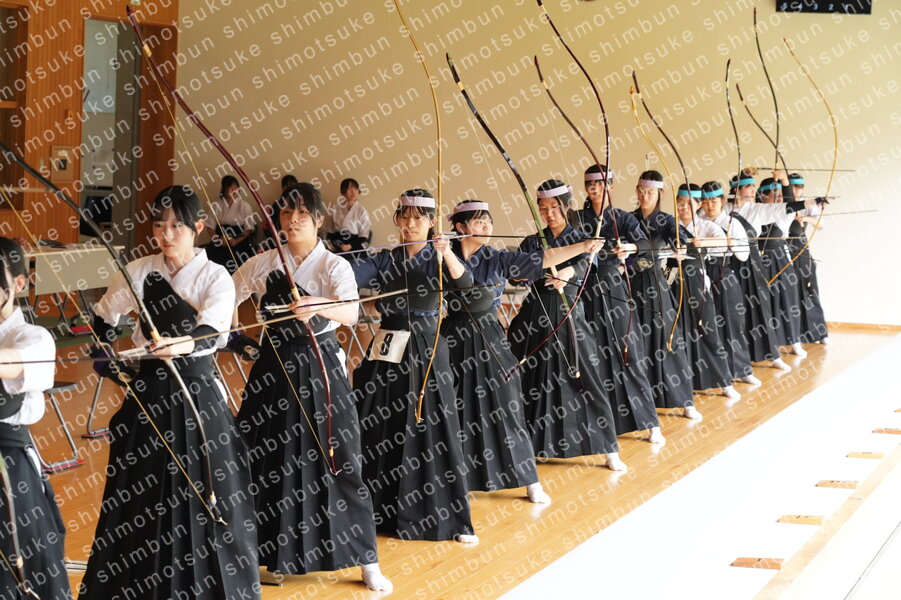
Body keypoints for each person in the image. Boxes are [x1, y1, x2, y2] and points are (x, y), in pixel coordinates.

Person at [80, 186, 259, 599]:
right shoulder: (138, 270)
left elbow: (211, 330)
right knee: (138, 488)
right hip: (148, 391)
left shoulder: (215, 276)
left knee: (207, 486)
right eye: (159, 225)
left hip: (196, 390)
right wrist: (105, 354)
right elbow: (104, 317)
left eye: (177, 225)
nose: (166, 234)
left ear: (199, 226)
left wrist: (180, 345)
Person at [230, 182, 390, 591]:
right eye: (287, 213)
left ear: (319, 220)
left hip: (319, 365)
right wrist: (233, 337)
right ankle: (262, 554)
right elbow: (226, 294)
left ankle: (366, 559)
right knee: (262, 455)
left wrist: (318, 305)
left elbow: (351, 313)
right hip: (273, 367)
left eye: (303, 213)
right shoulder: (264, 261)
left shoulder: (333, 266)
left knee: (340, 456)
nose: (294, 220)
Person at [446, 200, 604, 502]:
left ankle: (529, 480)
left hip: (489, 336)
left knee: (507, 406)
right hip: (452, 337)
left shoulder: (497, 257)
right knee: (452, 408)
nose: (487, 228)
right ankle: (455, 478)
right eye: (479, 223)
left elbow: (543, 257)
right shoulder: (444, 256)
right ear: (460, 227)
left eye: (489, 222)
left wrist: (583, 247)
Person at [351, 188, 478, 542]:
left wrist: (447, 253)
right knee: (376, 420)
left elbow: (466, 285)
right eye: (404, 217)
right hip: (388, 342)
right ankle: (373, 510)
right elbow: (351, 276)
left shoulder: (439, 255)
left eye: (418, 218)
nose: (409, 224)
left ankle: (448, 518)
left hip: (425, 343)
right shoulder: (386, 259)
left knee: (432, 425)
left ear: (431, 221)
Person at [507, 180, 627, 470]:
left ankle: (609, 447)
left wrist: (568, 272)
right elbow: (515, 272)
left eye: (554, 207)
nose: (549, 213)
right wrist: (521, 274)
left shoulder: (582, 237)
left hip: (568, 313)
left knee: (586, 377)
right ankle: (530, 446)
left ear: (567, 206)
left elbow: (588, 263)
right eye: (543, 208)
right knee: (529, 379)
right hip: (534, 316)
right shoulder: (533, 241)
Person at [570, 165, 663, 443]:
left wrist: (630, 248)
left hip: (612, 287)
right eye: (591, 184)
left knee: (627, 352)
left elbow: (647, 244)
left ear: (610, 186)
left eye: (601, 184)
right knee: (591, 357)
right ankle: (601, 423)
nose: (596, 189)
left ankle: (650, 422)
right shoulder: (576, 218)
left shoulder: (622, 218)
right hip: (582, 288)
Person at [0, 237, 70, 600]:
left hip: (10, 468)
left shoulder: (33, 336)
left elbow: (13, 362)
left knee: (23, 560)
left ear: (18, 283)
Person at [629, 171, 700, 419]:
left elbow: (678, 235)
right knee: (635, 343)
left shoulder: (666, 220)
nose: (644, 196)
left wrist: (680, 244)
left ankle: (685, 401)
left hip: (655, 286)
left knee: (668, 341)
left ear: (661, 193)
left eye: (650, 192)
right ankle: (641, 402)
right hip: (630, 284)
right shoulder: (629, 219)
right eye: (641, 191)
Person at [674, 184, 741, 400]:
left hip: (697, 280)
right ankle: (686, 383)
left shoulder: (705, 225)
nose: (683, 207)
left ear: (698, 205)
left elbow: (723, 243)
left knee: (708, 329)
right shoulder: (670, 226)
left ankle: (724, 382)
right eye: (680, 202)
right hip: (673, 281)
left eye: (689, 203)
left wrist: (701, 242)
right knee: (679, 332)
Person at [698, 181, 756, 385]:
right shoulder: (699, 222)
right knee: (707, 323)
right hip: (702, 272)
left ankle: (741, 369)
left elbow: (744, 255)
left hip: (724, 272)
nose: (709, 205)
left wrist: (732, 243)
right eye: (705, 201)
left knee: (732, 321)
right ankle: (714, 373)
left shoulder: (732, 223)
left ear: (722, 200)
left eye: (714, 201)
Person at [787, 173, 830, 344]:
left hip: (801, 248)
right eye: (793, 187)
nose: (796, 190)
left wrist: (805, 218)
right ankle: (795, 334)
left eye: (799, 187)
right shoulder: (781, 204)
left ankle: (820, 333)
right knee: (792, 293)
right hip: (784, 250)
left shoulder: (808, 205)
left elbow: (821, 225)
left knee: (809, 289)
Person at [206, 175, 256, 273]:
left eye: (236, 188)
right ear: (224, 190)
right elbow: (209, 226)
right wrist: (218, 239)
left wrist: (236, 241)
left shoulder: (244, 206)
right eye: (231, 188)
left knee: (237, 259)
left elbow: (249, 229)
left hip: (239, 239)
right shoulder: (217, 205)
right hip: (221, 238)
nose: (234, 191)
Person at [326, 178, 371, 252]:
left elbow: (364, 236)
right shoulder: (335, 208)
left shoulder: (362, 211)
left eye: (355, 188)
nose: (353, 192)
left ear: (358, 191)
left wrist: (350, 246)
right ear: (343, 192)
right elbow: (330, 232)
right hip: (337, 241)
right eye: (349, 189)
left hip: (354, 243)